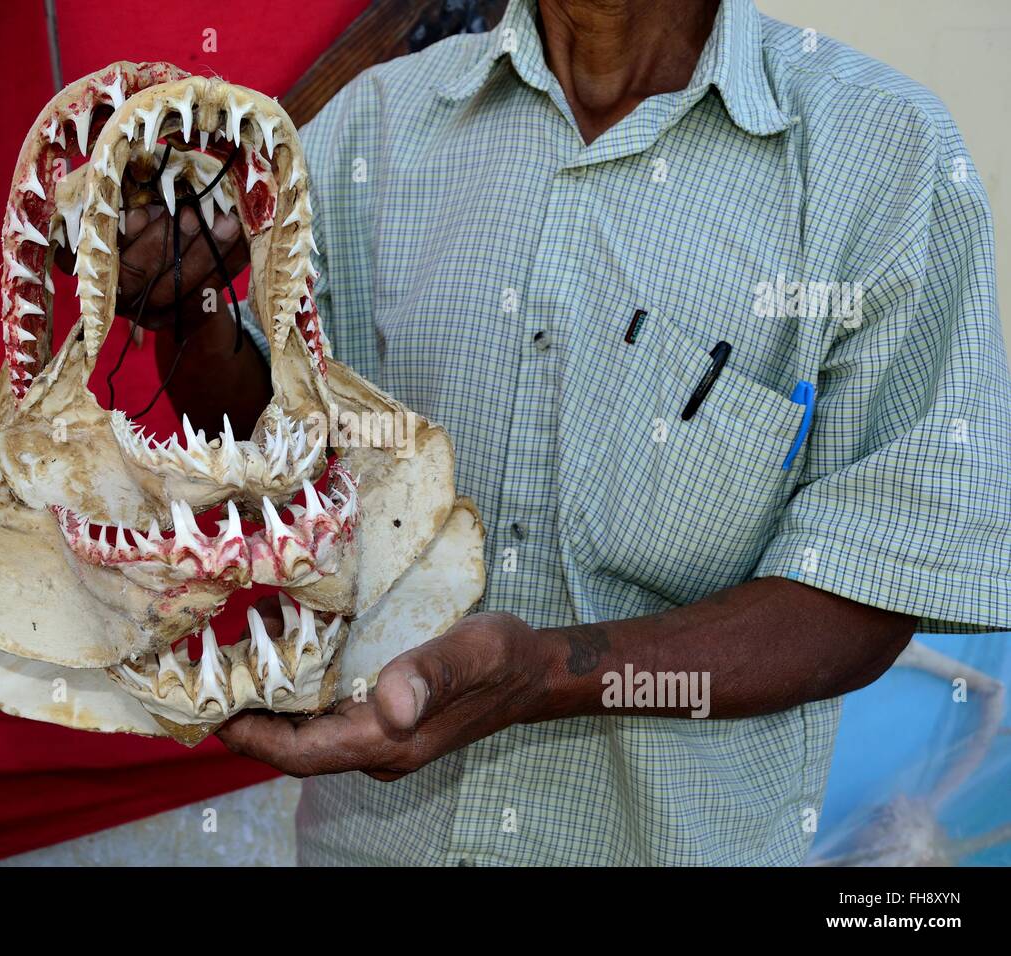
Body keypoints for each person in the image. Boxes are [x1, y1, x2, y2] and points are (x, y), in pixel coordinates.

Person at [90, 0, 1011, 865]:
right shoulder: (371, 125)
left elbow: (867, 590)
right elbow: (292, 453)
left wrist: (546, 677)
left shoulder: (884, 157)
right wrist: (193, 312)